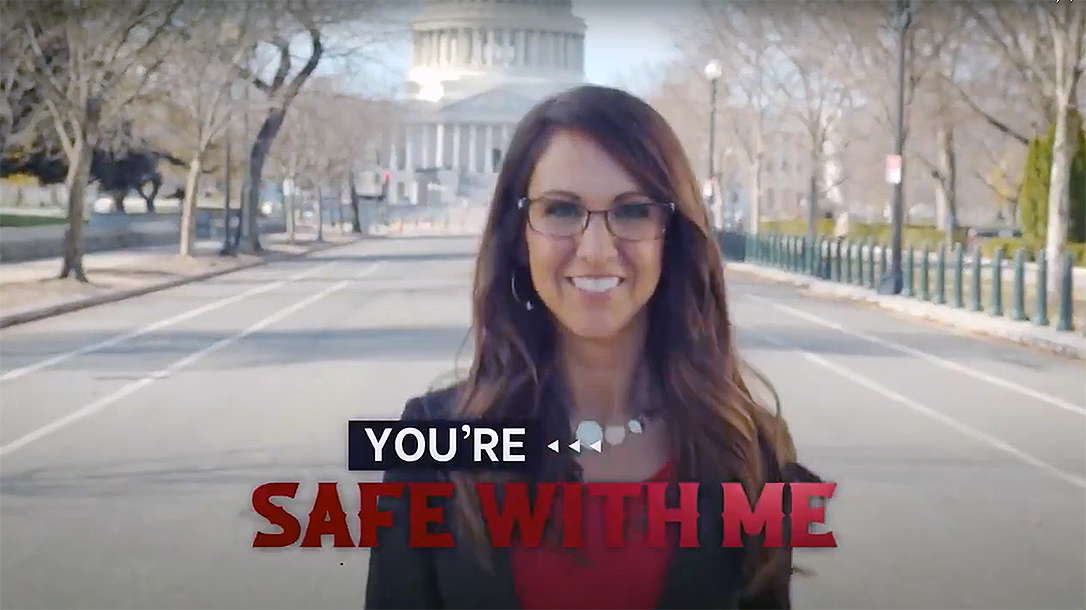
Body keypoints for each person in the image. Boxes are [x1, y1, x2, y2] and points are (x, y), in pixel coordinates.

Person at [364, 85, 821, 610]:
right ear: (520, 238)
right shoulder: (433, 445)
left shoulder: (744, 451)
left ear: (671, 236)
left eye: (633, 211)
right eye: (561, 209)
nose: (597, 250)